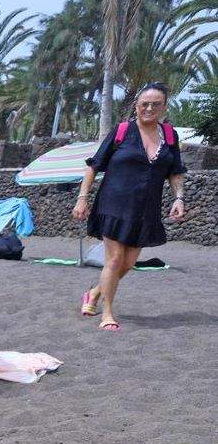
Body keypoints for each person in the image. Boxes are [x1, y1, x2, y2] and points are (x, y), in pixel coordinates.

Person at [74, 82, 188, 332]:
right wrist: (82, 198)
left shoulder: (169, 136)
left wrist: (178, 197)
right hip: (113, 204)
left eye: (155, 104)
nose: (148, 108)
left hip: (145, 210)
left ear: (164, 106)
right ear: (136, 106)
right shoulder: (122, 131)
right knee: (114, 260)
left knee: (127, 263)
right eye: (144, 104)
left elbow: (175, 171)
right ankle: (107, 312)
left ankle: (93, 293)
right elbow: (93, 166)